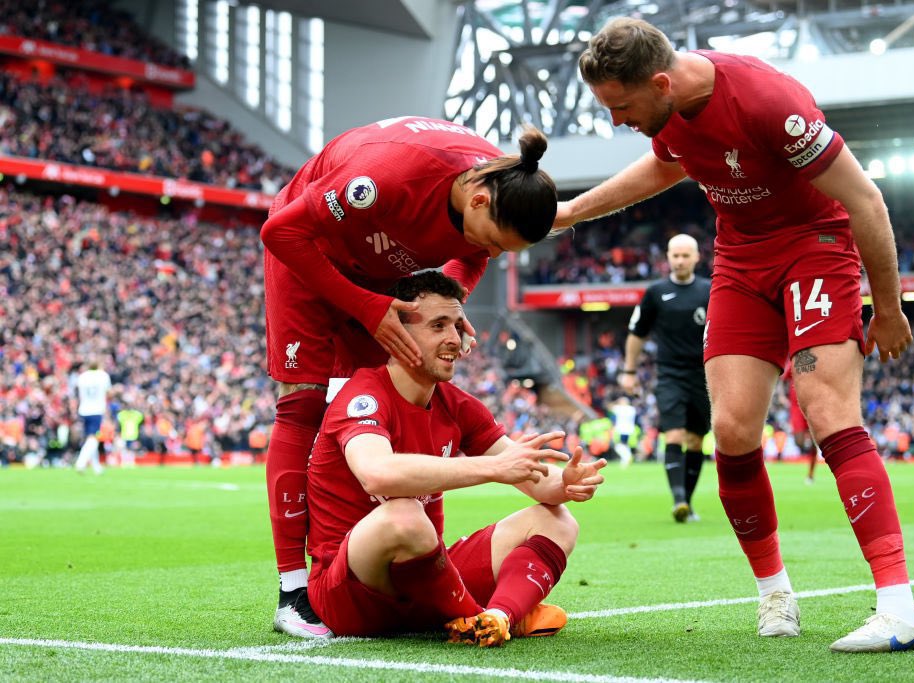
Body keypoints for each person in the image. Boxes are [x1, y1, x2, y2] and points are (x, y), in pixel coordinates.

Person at [555, 17, 914, 653]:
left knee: (827, 409)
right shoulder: (666, 112)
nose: (616, 121)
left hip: (815, 246)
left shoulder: (765, 101)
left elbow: (865, 199)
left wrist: (886, 307)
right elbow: (660, 169)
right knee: (729, 430)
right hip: (738, 259)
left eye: (620, 107)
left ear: (662, 82)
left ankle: (899, 608)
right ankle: (775, 594)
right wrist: (568, 212)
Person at [260, 116, 559, 638]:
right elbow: (280, 230)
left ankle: (383, 559)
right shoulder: (386, 178)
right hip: (309, 249)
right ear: (480, 201)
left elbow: (470, 256)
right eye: (494, 242)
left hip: (382, 272)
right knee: (302, 407)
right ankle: (293, 593)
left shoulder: (501, 181)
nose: (490, 255)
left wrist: (452, 300)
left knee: (392, 388)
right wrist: (366, 306)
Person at [305, 270, 607, 645]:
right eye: (438, 325)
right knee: (404, 515)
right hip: (353, 594)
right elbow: (377, 474)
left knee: (558, 522)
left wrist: (565, 484)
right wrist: (493, 468)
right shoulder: (363, 396)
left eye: (456, 326)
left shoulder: (458, 405)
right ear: (396, 334)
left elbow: (536, 479)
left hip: (427, 581)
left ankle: (497, 618)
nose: (455, 339)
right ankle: (472, 615)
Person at [619, 234, 710, 523]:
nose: (680, 260)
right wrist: (630, 370)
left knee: (696, 441)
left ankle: (688, 501)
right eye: (675, 255)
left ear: (696, 257)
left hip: (703, 376)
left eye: (685, 255)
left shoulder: (710, 291)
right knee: (674, 435)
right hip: (670, 374)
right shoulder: (656, 292)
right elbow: (637, 333)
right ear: (667, 257)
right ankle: (679, 500)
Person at [73, 359, 112, 475]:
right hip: (96, 409)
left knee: (89, 438)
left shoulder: (82, 376)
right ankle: (81, 462)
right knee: (93, 438)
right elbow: (108, 392)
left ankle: (96, 466)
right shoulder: (103, 375)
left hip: (84, 409)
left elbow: (78, 393)